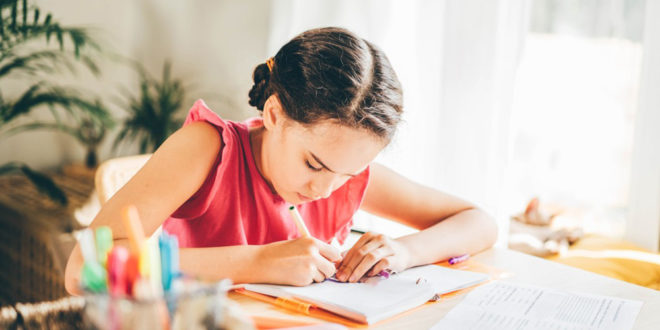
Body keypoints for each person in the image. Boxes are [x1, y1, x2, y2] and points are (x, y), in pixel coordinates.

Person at [64, 27, 497, 294]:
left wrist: (404, 251)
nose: (324, 189)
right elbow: (84, 269)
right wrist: (255, 262)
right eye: (314, 165)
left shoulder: (341, 175)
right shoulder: (207, 149)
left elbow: (479, 221)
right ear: (273, 114)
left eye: (348, 173)